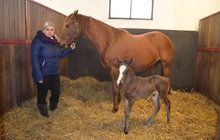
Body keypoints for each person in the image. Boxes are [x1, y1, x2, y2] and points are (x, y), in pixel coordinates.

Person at [30, 21, 75, 117]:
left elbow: (59, 55)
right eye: (47, 29)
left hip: (55, 72)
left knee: (56, 92)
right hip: (43, 73)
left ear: (54, 31)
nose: (50, 32)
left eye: (52, 30)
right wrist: (38, 76)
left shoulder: (54, 42)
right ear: (43, 30)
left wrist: (70, 49)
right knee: (42, 93)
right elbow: (34, 59)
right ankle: (42, 107)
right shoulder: (38, 41)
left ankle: (53, 107)